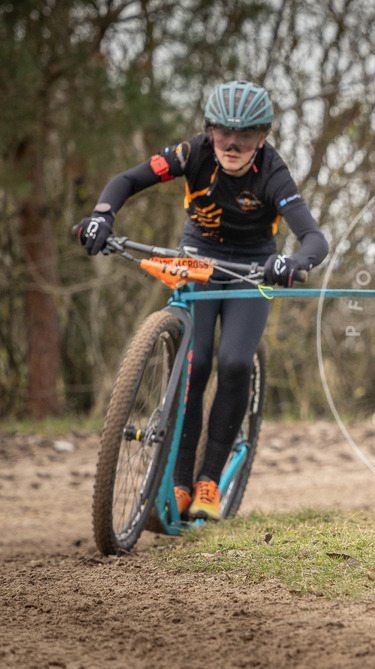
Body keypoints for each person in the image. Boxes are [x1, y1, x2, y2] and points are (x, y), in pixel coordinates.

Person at [79, 80, 328, 521]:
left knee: (234, 362)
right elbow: (127, 180)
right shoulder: (190, 154)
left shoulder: (274, 172)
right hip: (197, 258)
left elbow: (313, 238)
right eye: (222, 133)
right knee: (196, 365)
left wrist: (291, 263)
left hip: (252, 267)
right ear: (209, 130)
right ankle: (177, 484)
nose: (232, 144)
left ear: (263, 137)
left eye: (245, 135)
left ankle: (209, 480)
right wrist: (101, 216)